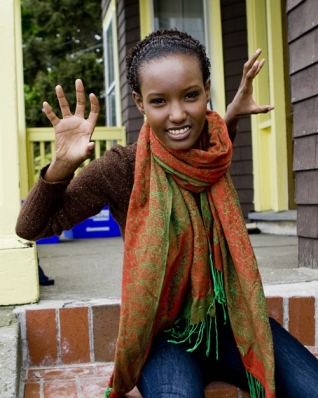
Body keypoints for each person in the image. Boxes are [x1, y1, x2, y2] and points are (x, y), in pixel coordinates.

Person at [16, 29, 318, 398]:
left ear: (207, 90)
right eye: (159, 101)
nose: (177, 115)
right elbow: (31, 227)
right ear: (140, 103)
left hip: (231, 323)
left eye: (190, 96)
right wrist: (61, 166)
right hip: (163, 336)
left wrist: (233, 116)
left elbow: (205, 161)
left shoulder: (214, 147)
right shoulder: (121, 169)